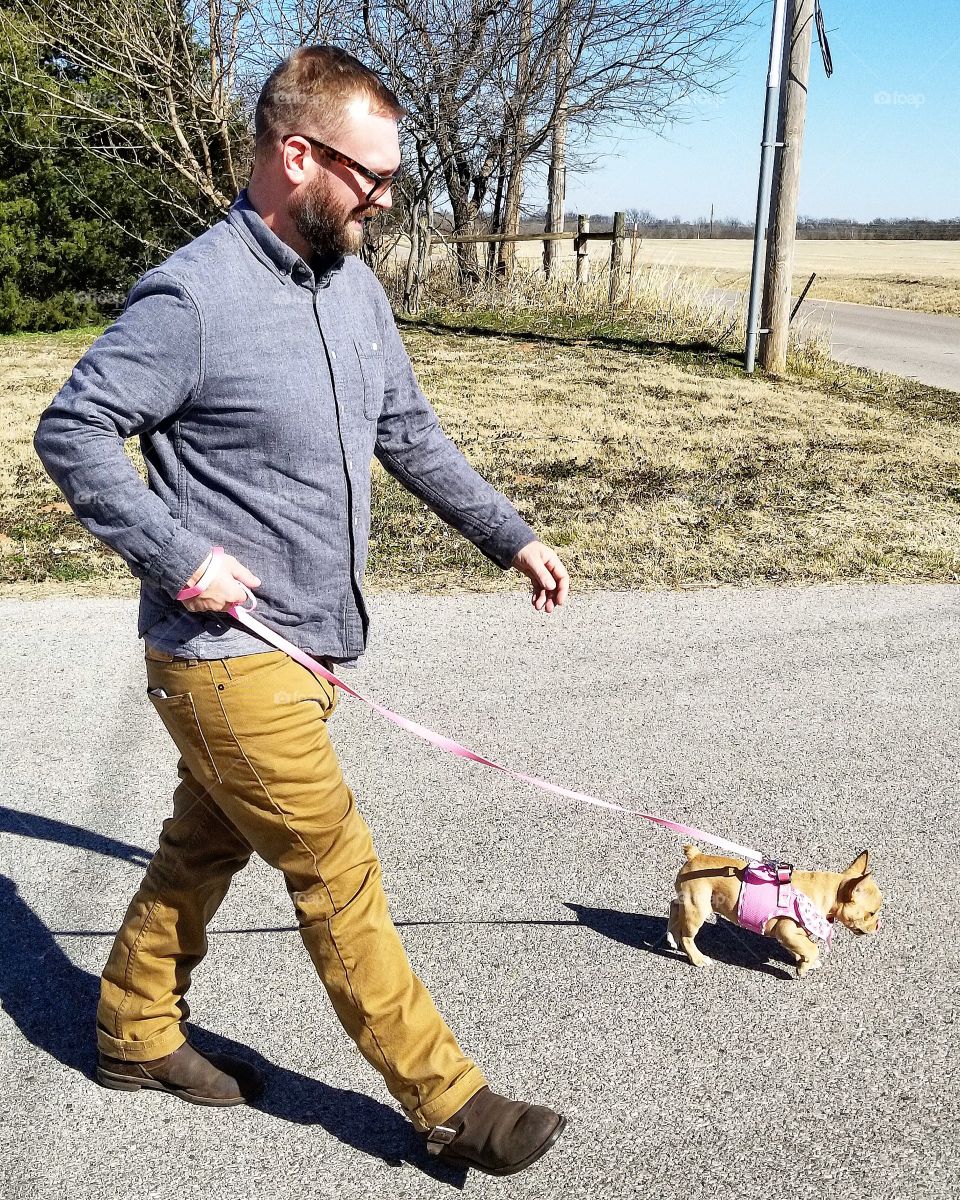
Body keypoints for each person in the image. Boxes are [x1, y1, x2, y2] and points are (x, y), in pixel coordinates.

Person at [33, 45, 569, 1177]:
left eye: (388, 183)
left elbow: (408, 434)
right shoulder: (194, 295)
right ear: (296, 155)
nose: (381, 202)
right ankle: (451, 1099)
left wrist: (510, 534)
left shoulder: (352, 286)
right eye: (368, 179)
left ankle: (131, 1033)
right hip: (221, 657)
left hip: (313, 649)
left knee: (199, 845)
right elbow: (72, 429)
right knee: (335, 865)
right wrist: (183, 556)